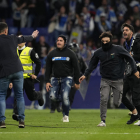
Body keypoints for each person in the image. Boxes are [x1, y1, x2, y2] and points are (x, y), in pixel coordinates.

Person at [79, 31, 139, 127]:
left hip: (118, 80)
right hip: (105, 80)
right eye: (103, 42)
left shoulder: (118, 49)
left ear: (110, 40)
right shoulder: (98, 52)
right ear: (101, 41)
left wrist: (135, 70)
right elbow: (92, 65)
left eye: (107, 41)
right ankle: (103, 121)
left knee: (117, 103)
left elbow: (129, 58)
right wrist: (85, 75)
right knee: (103, 99)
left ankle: (132, 109)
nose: (105, 43)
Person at [0, 22, 39, 128]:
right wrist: (33, 36)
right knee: (20, 96)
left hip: (4, 72)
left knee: (2, 96)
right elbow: (24, 38)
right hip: (17, 70)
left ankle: (2, 122)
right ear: (6, 31)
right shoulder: (13, 38)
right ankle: (21, 121)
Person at [8, 35, 44, 121]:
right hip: (17, 78)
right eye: (18, 39)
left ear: (25, 41)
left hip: (28, 78)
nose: (19, 41)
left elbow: (38, 63)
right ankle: (16, 113)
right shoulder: (13, 50)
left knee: (31, 97)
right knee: (18, 96)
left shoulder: (30, 50)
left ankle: (39, 95)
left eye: (21, 39)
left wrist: (35, 74)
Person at [45, 35, 80, 122]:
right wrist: (47, 81)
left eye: (61, 40)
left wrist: (77, 82)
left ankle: (65, 115)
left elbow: (77, 68)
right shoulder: (51, 54)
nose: (58, 42)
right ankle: (63, 99)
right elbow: (48, 69)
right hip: (54, 78)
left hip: (67, 78)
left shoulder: (71, 53)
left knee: (65, 96)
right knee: (52, 97)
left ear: (65, 42)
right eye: (57, 40)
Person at [121, 23, 140, 125]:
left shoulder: (137, 42)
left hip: (137, 72)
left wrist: (132, 55)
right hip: (129, 72)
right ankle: (135, 113)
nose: (124, 31)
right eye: (124, 30)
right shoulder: (125, 44)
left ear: (131, 33)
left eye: (127, 30)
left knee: (136, 97)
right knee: (121, 95)